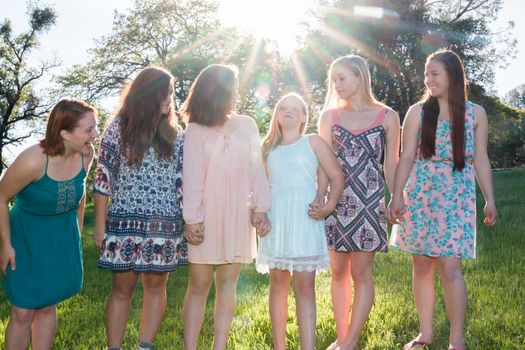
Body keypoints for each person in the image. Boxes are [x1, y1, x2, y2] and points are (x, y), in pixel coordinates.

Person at [388, 49, 497, 350]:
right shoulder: (417, 112)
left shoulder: (475, 114)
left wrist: (490, 198)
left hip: (456, 198)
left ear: (452, 76)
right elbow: (406, 156)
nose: (428, 79)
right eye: (426, 74)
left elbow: (481, 159)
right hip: (421, 195)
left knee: (450, 267)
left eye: (434, 73)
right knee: (421, 265)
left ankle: (457, 340)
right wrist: (396, 196)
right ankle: (425, 334)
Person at [93, 66, 186, 350]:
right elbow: (104, 178)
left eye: (171, 92)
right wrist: (99, 227)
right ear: (148, 93)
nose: (170, 98)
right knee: (122, 290)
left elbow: (183, 180)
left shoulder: (176, 133)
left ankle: (145, 346)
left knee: (156, 288)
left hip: (165, 224)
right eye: (165, 92)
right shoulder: (119, 128)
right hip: (123, 225)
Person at [181, 64, 271, 350]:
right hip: (206, 215)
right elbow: (192, 176)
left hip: (236, 214)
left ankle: (219, 346)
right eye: (232, 89)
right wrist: (192, 219)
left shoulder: (247, 124)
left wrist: (261, 207)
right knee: (198, 285)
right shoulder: (194, 129)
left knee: (227, 285)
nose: (236, 94)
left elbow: (257, 169)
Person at [315, 55, 400, 350]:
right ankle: (341, 337)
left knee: (360, 274)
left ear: (359, 77)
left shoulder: (388, 116)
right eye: (333, 80)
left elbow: (391, 164)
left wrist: (396, 197)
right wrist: (320, 199)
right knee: (338, 273)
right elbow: (323, 165)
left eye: (342, 78)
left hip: (370, 202)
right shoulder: (329, 117)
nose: (336, 85)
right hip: (337, 203)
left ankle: (350, 341)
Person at [0, 99, 98, 349]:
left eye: (95, 127)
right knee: (22, 311)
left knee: (47, 305)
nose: (95, 135)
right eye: (88, 130)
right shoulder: (33, 160)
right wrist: (6, 245)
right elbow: (1, 197)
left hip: (61, 236)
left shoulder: (87, 153)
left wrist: (75, 233)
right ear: (64, 133)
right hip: (26, 237)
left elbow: (79, 192)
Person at [256, 93, 344, 350]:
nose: (288, 111)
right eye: (283, 107)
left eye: (296, 108)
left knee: (305, 286)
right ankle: (279, 346)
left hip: (305, 217)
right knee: (278, 283)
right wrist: (259, 213)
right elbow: (259, 185)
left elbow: (336, 176)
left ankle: (309, 346)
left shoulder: (313, 141)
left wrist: (328, 206)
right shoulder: (267, 146)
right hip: (276, 218)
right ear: (276, 114)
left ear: (305, 117)